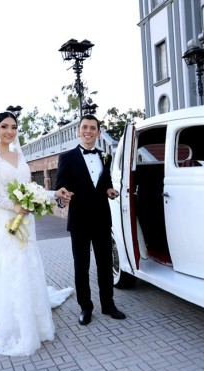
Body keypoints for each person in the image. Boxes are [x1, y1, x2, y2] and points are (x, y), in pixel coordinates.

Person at [0, 110, 74, 356]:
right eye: (4, 126)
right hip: (7, 221)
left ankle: (36, 317)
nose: (10, 131)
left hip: (26, 220)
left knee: (29, 263)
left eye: (14, 127)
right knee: (13, 264)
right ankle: (17, 323)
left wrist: (53, 194)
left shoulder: (18, 153)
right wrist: (12, 205)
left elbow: (30, 189)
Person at [55, 114, 125, 325]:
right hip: (79, 221)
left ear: (98, 132)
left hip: (103, 219)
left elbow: (106, 183)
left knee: (105, 265)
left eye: (92, 128)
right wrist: (61, 200)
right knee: (81, 267)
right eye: (84, 127)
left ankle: (108, 305)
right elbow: (60, 189)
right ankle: (86, 307)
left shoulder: (105, 156)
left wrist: (110, 190)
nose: (88, 131)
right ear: (79, 131)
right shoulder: (67, 158)